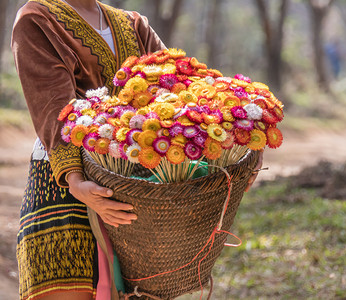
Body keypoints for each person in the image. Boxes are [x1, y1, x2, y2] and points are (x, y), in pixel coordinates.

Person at [12, 0, 263, 299]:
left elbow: (183, 90)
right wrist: (75, 180)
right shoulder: (38, 18)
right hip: (66, 185)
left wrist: (241, 145)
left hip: (139, 182)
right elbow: (53, 106)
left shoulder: (133, 23)